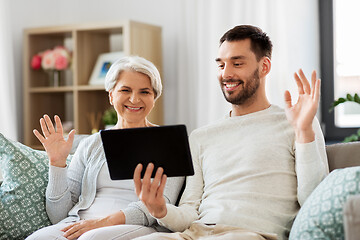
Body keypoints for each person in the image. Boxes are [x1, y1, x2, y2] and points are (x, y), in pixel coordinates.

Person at [133, 25, 329, 240]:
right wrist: (160, 210)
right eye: (221, 65)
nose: (226, 74)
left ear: (264, 67)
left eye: (237, 64)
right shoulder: (201, 137)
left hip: (250, 234)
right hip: (196, 233)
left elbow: (315, 202)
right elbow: (190, 211)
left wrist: (303, 132)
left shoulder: (298, 124)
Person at [26, 56, 184, 240]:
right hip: (79, 223)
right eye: (125, 90)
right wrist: (57, 164)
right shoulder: (91, 144)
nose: (134, 99)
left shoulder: (170, 143)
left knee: (91, 239)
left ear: (154, 98)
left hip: (134, 225)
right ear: (111, 95)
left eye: (145, 92)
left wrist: (99, 224)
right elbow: (59, 216)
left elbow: (162, 206)